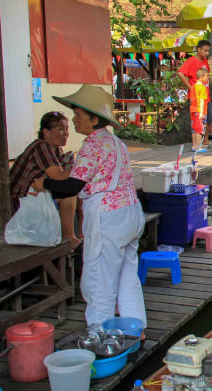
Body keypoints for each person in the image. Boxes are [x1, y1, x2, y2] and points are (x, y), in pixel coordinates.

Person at [34, 84, 146, 328]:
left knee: (99, 281)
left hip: (109, 218)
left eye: (78, 116)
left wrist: (46, 183)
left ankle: (99, 335)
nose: (74, 121)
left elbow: (73, 186)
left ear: (94, 118)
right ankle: (136, 331)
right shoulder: (116, 143)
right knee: (128, 279)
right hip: (131, 213)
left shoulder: (92, 146)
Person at [10, 112, 81, 249]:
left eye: (67, 129)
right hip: (21, 202)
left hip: (36, 198)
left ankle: (81, 234)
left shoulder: (57, 151)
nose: (65, 133)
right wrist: (86, 168)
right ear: (46, 132)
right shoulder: (41, 146)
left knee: (79, 190)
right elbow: (58, 176)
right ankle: (70, 238)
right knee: (69, 194)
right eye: (61, 128)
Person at [190, 68, 209, 152]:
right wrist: (202, 112)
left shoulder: (193, 86)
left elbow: (191, 99)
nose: (207, 78)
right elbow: (201, 100)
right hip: (199, 110)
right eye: (206, 76)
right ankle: (198, 146)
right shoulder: (202, 88)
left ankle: (194, 146)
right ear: (201, 77)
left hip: (193, 109)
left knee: (194, 129)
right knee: (199, 129)